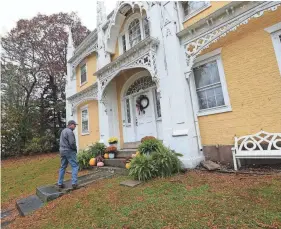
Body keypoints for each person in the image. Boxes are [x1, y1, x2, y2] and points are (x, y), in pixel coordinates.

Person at [57, 120, 79, 189]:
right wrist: (75, 149)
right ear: (70, 124)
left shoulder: (63, 131)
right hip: (69, 151)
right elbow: (72, 143)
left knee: (63, 167)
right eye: (74, 125)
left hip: (62, 151)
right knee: (75, 166)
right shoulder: (70, 132)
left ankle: (60, 183)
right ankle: (74, 183)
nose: (75, 126)